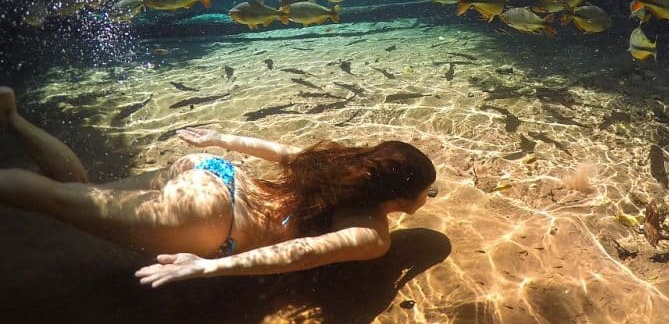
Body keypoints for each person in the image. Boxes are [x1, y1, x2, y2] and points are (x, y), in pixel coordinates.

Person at [0, 86, 436, 287]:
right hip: (208, 217)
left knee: (83, 191)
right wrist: (209, 267)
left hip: (213, 170)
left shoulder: (340, 169)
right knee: (55, 199)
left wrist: (220, 141)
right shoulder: (374, 236)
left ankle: (11, 117)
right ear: (399, 197)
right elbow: (297, 255)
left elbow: (278, 151)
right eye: (425, 191)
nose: (426, 199)